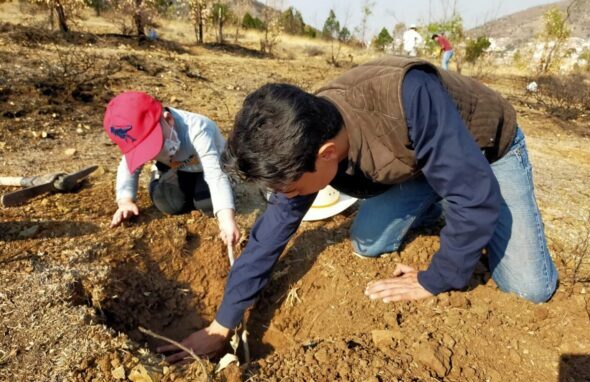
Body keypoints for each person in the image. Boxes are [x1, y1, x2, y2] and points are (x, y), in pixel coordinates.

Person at [158, 56, 558, 361]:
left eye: (293, 187)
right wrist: (220, 325)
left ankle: (448, 195)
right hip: (417, 163)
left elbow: (474, 194)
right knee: (368, 242)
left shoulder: (409, 96)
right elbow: (269, 235)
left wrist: (436, 278)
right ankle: (439, 194)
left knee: (529, 288)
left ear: (327, 153)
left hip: (487, 151)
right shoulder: (304, 133)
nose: (290, 196)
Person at [103, 91, 240, 246]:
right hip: (178, 169)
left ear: (168, 120)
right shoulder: (137, 135)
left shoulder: (197, 128)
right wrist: (125, 201)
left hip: (206, 168)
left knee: (208, 205)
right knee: (169, 204)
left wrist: (226, 219)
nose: (154, 153)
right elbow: (128, 166)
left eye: (155, 146)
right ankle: (158, 177)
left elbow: (215, 174)